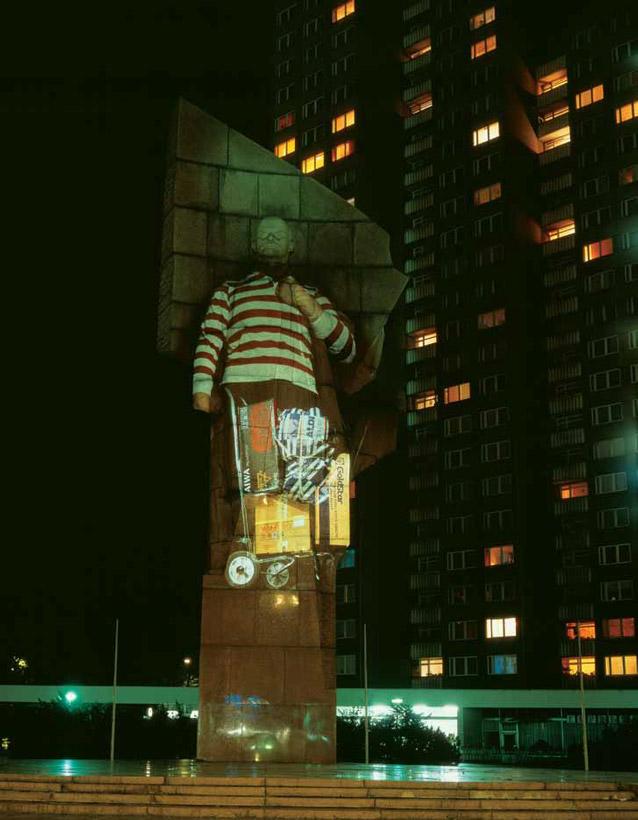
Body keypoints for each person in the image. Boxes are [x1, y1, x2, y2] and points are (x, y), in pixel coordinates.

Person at [192, 216, 355, 570]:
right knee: (256, 477)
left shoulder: (310, 294)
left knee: (297, 479)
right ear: (253, 245)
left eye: (277, 234)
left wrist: (308, 306)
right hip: (249, 391)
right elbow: (211, 337)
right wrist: (202, 388)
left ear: (291, 246)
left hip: (300, 396)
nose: (269, 238)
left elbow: (345, 346)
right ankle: (248, 555)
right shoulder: (231, 290)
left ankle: (289, 560)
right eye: (263, 234)